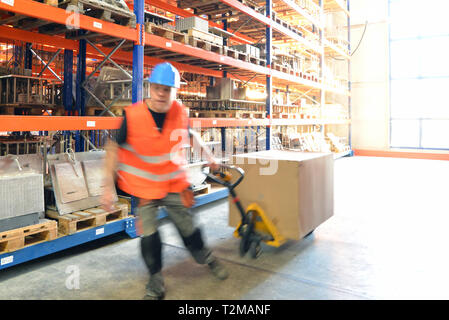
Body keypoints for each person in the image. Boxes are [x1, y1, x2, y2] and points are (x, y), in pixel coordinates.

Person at [101, 62, 229, 300]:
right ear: (150, 88)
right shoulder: (132, 116)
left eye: (167, 90)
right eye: (158, 88)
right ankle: (155, 280)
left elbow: (191, 136)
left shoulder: (179, 112)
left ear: (175, 92)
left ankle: (205, 257)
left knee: (189, 230)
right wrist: (107, 188)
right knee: (149, 236)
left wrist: (209, 157)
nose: (162, 94)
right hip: (145, 188)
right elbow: (112, 150)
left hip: (173, 185)